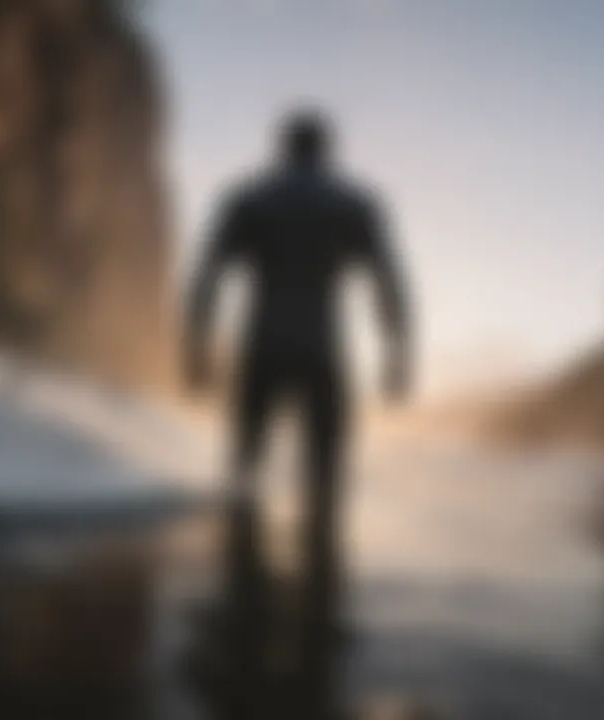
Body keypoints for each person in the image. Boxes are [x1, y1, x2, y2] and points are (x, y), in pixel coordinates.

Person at [185, 108, 412, 718]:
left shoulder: (249, 197)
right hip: (321, 351)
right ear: (328, 148)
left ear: (282, 146)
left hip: (261, 346)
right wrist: (398, 354)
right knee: (327, 488)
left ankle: (238, 604)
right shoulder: (354, 202)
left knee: (243, 475)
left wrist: (195, 349)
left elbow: (207, 275)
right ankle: (318, 618)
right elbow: (388, 281)